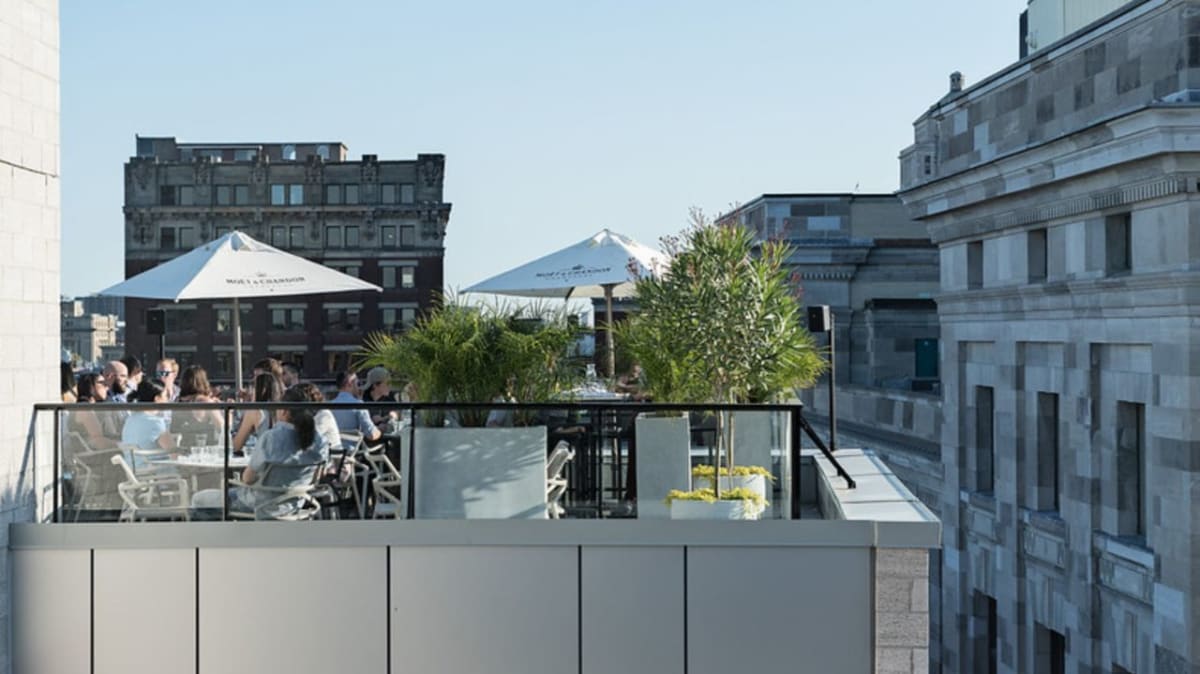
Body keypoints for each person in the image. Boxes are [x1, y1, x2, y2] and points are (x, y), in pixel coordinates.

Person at [191, 386, 329, 515]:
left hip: (258, 505)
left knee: (199, 499)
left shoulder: (271, 438)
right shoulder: (320, 441)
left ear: (285, 411)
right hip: (294, 506)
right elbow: (317, 478)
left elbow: (247, 479)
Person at [120, 378, 178, 470]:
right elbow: (175, 453)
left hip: (137, 473)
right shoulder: (155, 423)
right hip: (159, 474)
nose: (168, 399)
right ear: (157, 399)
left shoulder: (130, 420)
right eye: (166, 396)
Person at [171, 365, 226, 447]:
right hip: (204, 449)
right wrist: (229, 413)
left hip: (182, 448)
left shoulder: (177, 401)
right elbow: (222, 428)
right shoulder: (205, 402)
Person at [232, 373, 283, 454]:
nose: (250, 393)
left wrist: (229, 416)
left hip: (266, 459)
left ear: (260, 390)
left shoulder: (255, 411)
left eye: (252, 389)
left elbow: (236, 446)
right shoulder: (283, 410)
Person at [329, 371, 381, 448]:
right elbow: (371, 435)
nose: (359, 388)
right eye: (358, 384)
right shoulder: (358, 405)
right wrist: (381, 430)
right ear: (350, 384)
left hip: (333, 451)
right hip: (351, 452)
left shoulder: (328, 406)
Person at [68, 373, 118, 449]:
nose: (107, 387)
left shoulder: (81, 407)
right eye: (102, 383)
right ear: (91, 387)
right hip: (95, 455)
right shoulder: (85, 409)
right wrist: (122, 444)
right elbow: (100, 443)